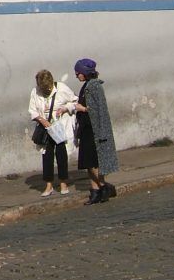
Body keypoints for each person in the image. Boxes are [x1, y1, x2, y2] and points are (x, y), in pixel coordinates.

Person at [60, 58, 119, 205]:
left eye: (78, 72)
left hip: (94, 129)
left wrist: (82, 108)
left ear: (85, 72)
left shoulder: (94, 86)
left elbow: (99, 109)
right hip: (86, 128)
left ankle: (103, 187)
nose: (76, 75)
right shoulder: (87, 85)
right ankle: (95, 191)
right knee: (88, 162)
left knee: (93, 162)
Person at [28, 69, 77, 197]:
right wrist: (41, 119)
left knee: (62, 155)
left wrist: (65, 108)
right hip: (45, 128)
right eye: (43, 89)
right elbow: (32, 111)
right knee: (47, 156)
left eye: (47, 88)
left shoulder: (61, 88)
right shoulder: (35, 92)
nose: (45, 91)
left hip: (60, 127)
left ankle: (63, 183)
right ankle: (48, 185)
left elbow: (75, 101)